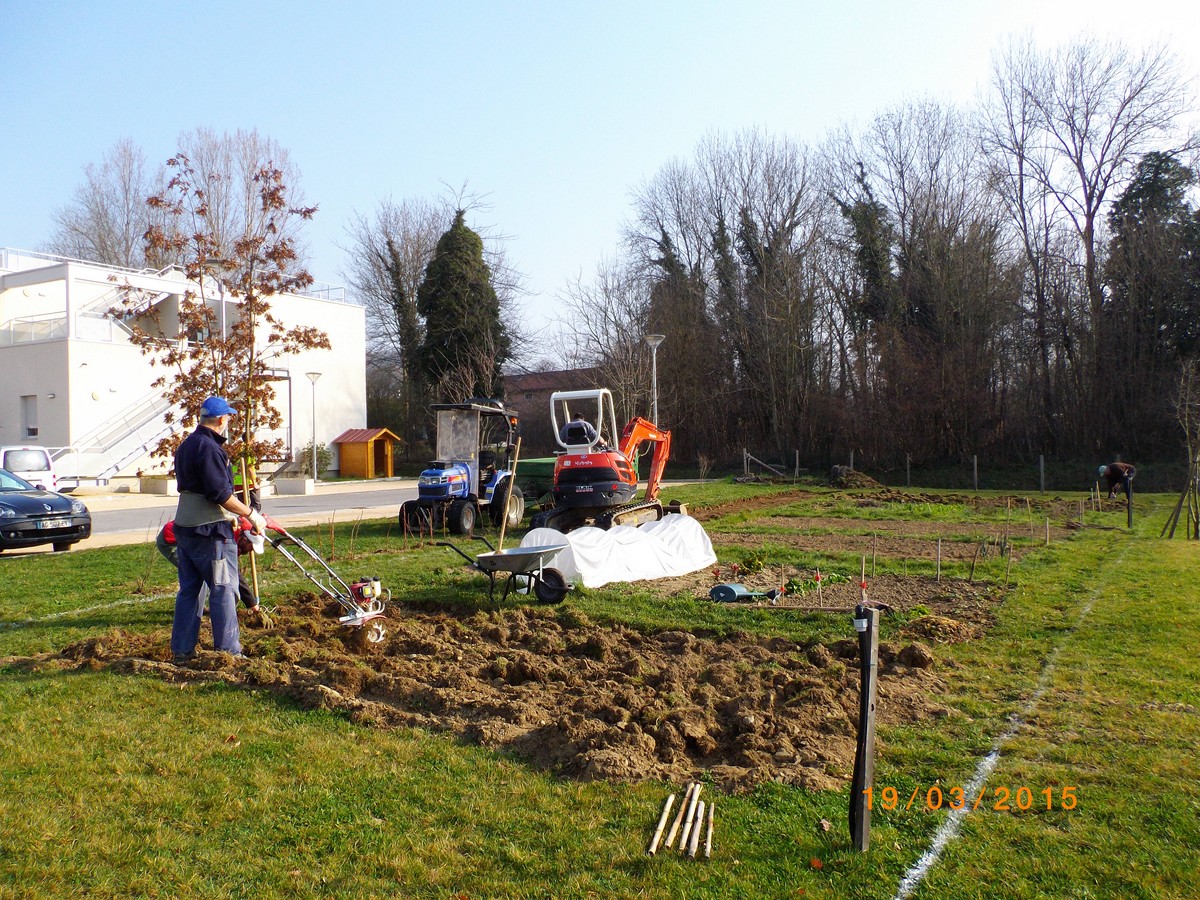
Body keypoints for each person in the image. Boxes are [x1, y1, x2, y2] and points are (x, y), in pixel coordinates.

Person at [170, 396, 266, 662]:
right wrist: (251, 514)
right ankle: (228, 653)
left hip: (185, 529)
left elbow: (195, 488)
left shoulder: (186, 445)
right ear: (223, 419)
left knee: (189, 591)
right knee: (224, 588)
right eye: (229, 418)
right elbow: (219, 494)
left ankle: (181, 651)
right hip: (210, 534)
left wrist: (233, 515)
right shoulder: (211, 449)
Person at [157, 519, 261, 610]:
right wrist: (252, 604)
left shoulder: (237, 537)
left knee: (207, 571)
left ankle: (201, 608)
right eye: (251, 547)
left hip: (193, 539)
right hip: (172, 540)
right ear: (244, 539)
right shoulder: (227, 537)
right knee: (197, 574)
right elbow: (234, 573)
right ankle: (193, 612)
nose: (250, 550)